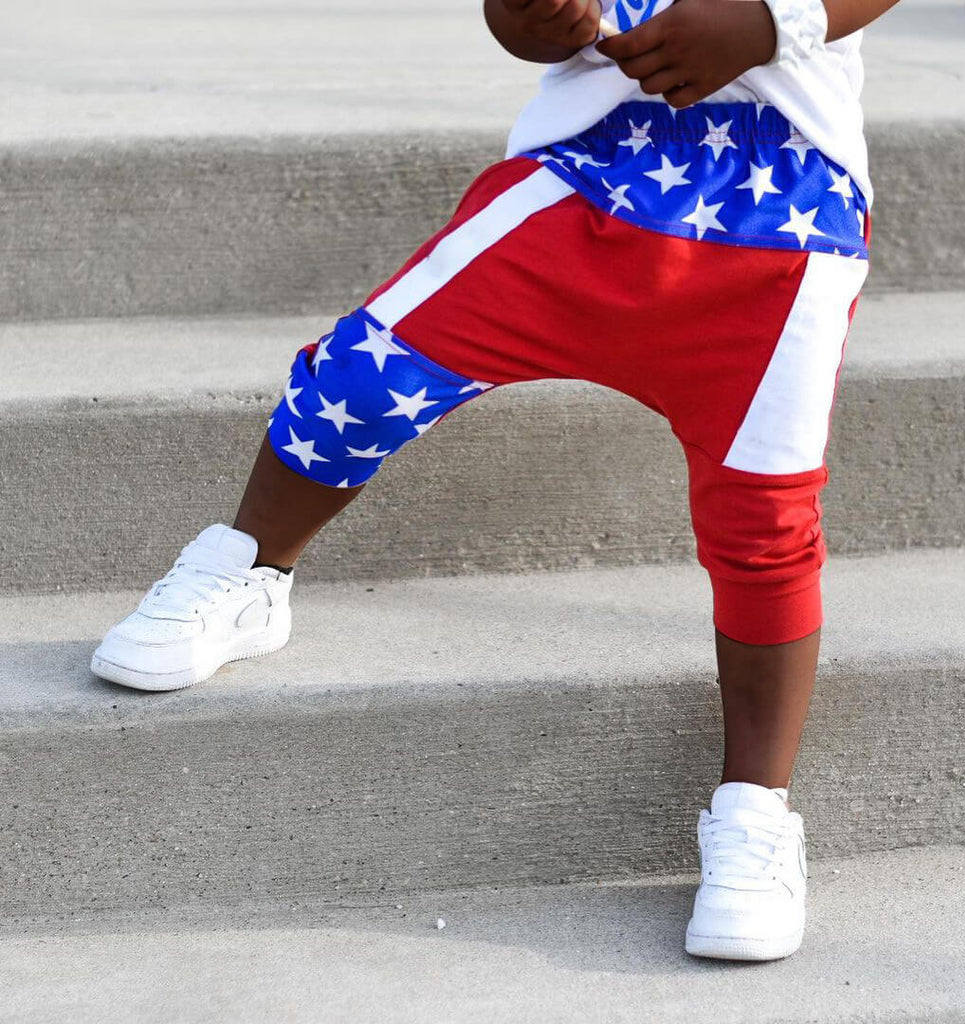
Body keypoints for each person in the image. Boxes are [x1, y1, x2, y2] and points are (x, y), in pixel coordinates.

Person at [92, 0, 901, 961]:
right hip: (583, 175)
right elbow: (525, 28)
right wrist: (541, 19)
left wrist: (772, 23)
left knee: (763, 518)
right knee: (367, 369)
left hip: (784, 206)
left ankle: (755, 810)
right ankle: (248, 573)